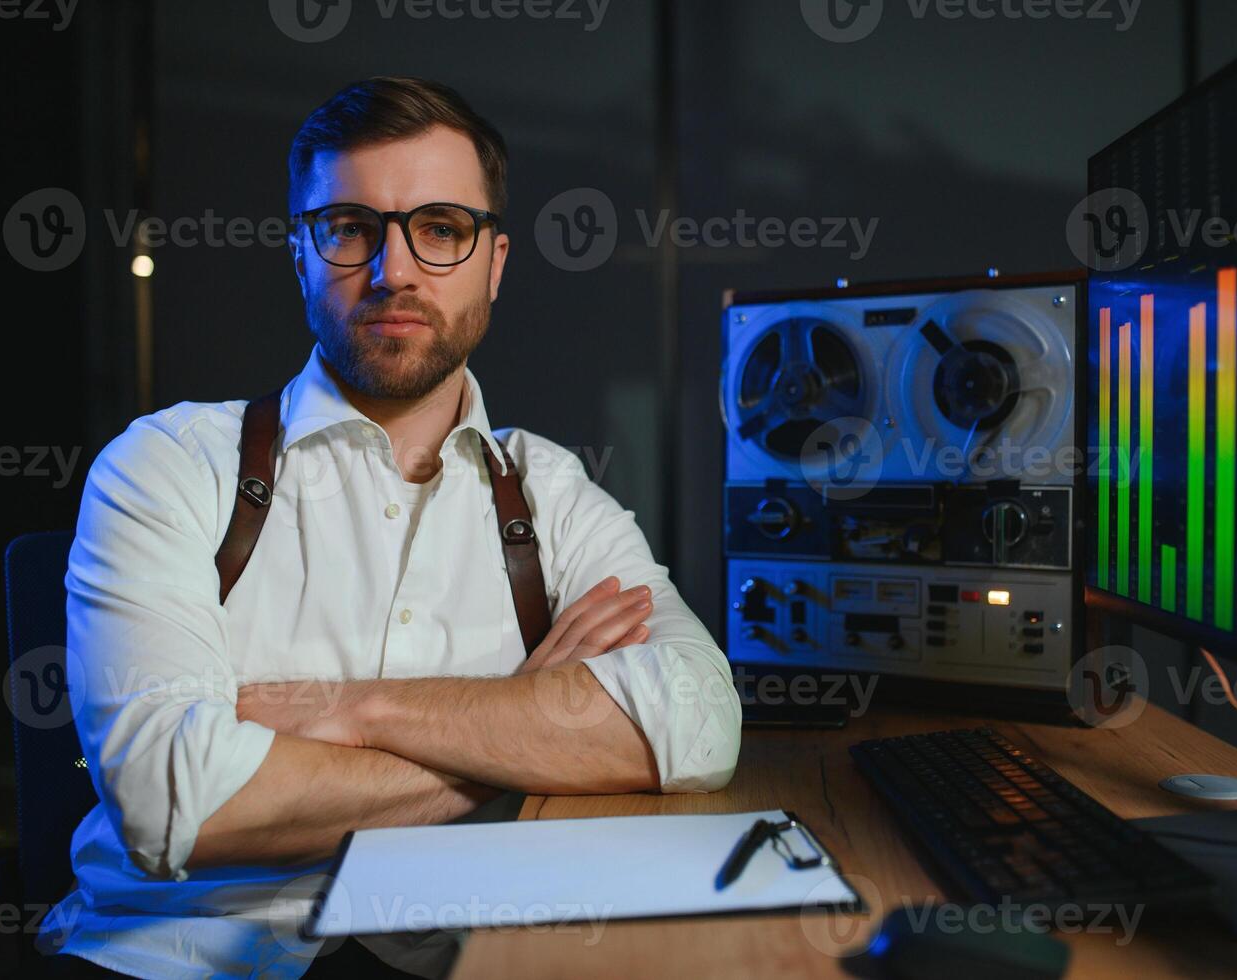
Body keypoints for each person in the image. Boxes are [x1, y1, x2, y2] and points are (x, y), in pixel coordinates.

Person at [38, 76, 741, 979]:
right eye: (349, 227)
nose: (395, 269)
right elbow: (175, 804)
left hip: (456, 956)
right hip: (173, 957)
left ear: (494, 261)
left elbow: (699, 723)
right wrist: (522, 722)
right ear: (300, 251)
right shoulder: (167, 465)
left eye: (441, 229)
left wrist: (353, 711)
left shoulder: (551, 490)